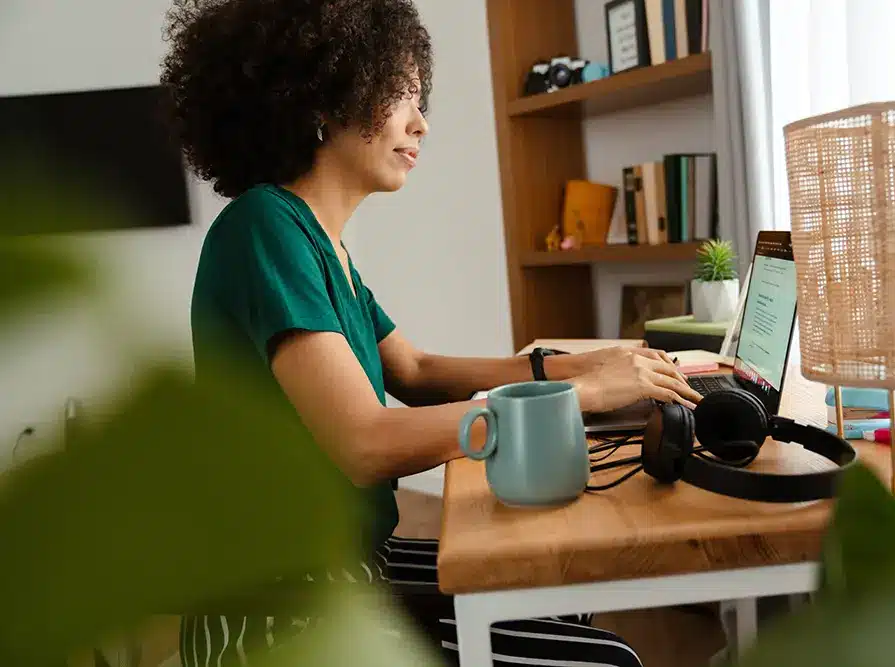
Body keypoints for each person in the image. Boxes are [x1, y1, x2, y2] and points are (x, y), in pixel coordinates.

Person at [160, 1, 702, 665]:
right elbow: (364, 442)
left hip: (346, 571)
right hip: (277, 610)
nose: (421, 123)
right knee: (606, 659)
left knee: (552, 585)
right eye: (401, 95)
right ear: (326, 97)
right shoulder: (263, 227)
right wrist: (577, 397)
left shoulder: (324, 242)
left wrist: (582, 370)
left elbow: (413, 370)